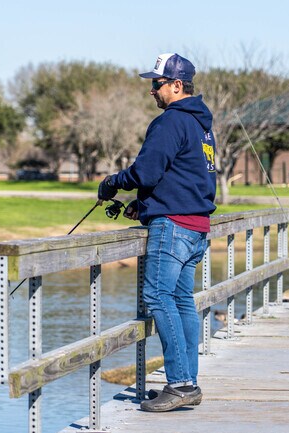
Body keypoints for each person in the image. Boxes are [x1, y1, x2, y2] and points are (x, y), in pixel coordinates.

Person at [98, 53, 216, 412]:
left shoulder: (170, 122)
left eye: (157, 84)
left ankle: (179, 384)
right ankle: (188, 382)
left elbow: (146, 172)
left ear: (177, 85)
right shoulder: (202, 125)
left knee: (157, 297)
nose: (152, 91)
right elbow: (182, 175)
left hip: (175, 227)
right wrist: (146, 205)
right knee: (181, 302)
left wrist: (112, 183)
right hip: (197, 226)